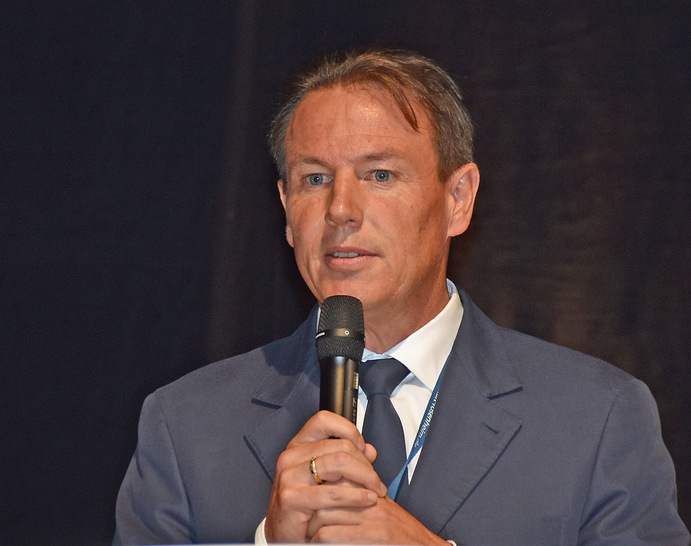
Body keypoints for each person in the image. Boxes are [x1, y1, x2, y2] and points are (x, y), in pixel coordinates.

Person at [113, 49, 689, 545]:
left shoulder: (598, 419)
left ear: (457, 200)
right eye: (315, 179)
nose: (340, 209)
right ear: (286, 211)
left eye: (379, 175)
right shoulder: (185, 427)